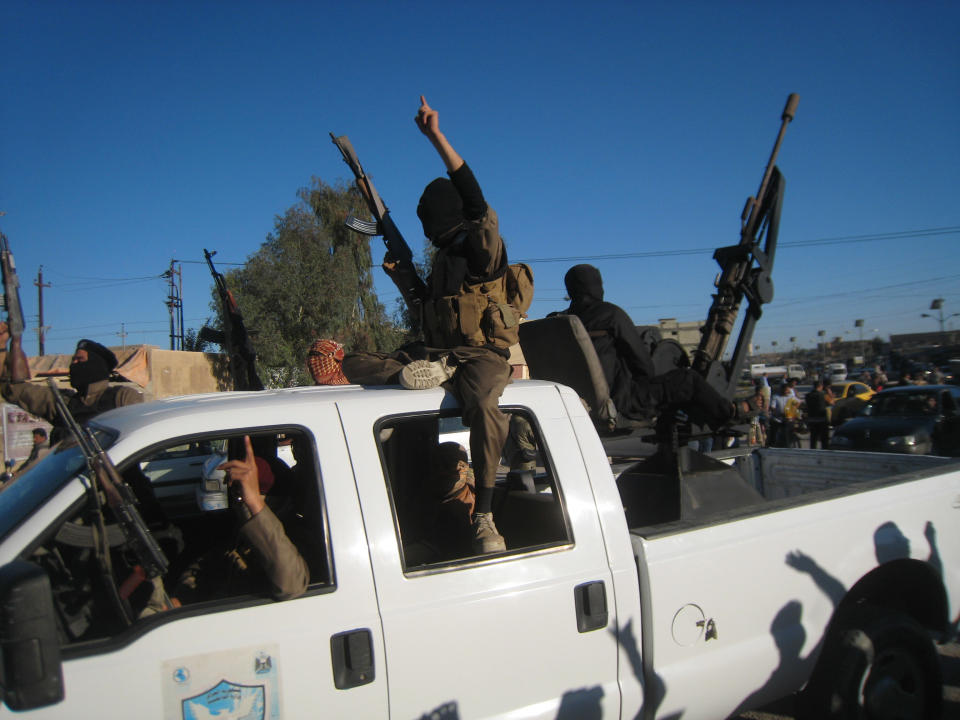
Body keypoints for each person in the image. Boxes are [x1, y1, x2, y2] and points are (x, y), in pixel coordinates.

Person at [342, 96, 514, 554]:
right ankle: (425, 376)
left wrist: (435, 136)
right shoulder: (440, 263)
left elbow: (476, 201)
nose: (427, 227)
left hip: (482, 355)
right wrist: (401, 274)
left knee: (482, 405)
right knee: (355, 364)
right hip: (436, 356)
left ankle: (485, 515)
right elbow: (425, 309)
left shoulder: (482, 250)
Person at [552, 264, 740, 431]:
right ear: (596, 286)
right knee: (687, 380)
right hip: (621, 401)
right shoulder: (611, 314)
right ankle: (729, 414)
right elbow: (644, 365)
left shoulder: (559, 322)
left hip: (577, 404)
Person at [142, 435, 310, 613]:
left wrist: (255, 505)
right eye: (238, 494)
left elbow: (292, 585)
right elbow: (210, 563)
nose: (240, 502)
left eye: (244, 495)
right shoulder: (242, 531)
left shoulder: (293, 534)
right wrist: (182, 598)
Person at [0, 323, 143, 435]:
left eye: (79, 360)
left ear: (96, 364)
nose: (73, 365)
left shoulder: (123, 398)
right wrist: (2, 346)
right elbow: (13, 390)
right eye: (73, 360)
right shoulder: (63, 404)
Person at [804, 377, 830, 449]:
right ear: (820, 386)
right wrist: (829, 392)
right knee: (824, 440)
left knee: (813, 439)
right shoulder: (823, 394)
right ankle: (825, 453)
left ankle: (813, 452)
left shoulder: (808, 395)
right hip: (822, 420)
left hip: (812, 420)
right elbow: (831, 402)